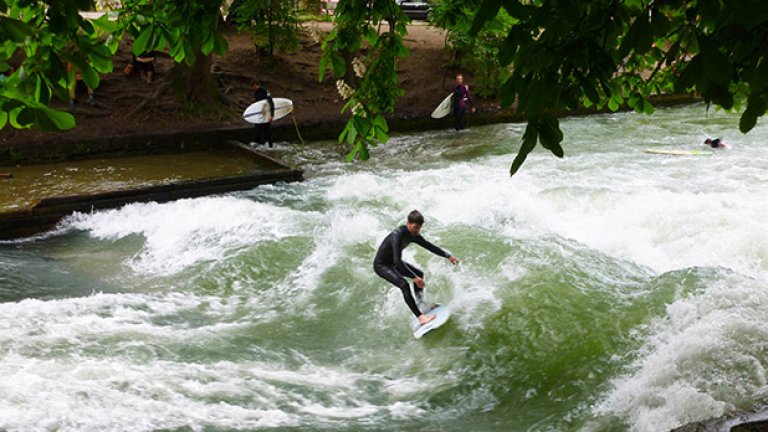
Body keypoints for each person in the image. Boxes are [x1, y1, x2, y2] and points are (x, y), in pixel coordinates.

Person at [374, 210, 460, 326]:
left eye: (419, 228)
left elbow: (429, 246)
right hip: (382, 265)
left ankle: (422, 304)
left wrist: (448, 256)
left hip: (393, 263)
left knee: (419, 274)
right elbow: (397, 261)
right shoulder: (397, 235)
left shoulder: (413, 235)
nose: (417, 231)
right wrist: (414, 278)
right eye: (415, 227)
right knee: (404, 284)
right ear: (408, 223)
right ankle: (421, 317)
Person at [251, 80, 274, 148]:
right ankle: (258, 144)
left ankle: (270, 145)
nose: (253, 88)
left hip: (266, 113)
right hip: (259, 114)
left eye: (253, 86)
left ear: (256, 85)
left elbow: (271, 102)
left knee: (267, 130)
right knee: (257, 129)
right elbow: (257, 103)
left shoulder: (265, 91)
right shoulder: (256, 93)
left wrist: (271, 115)